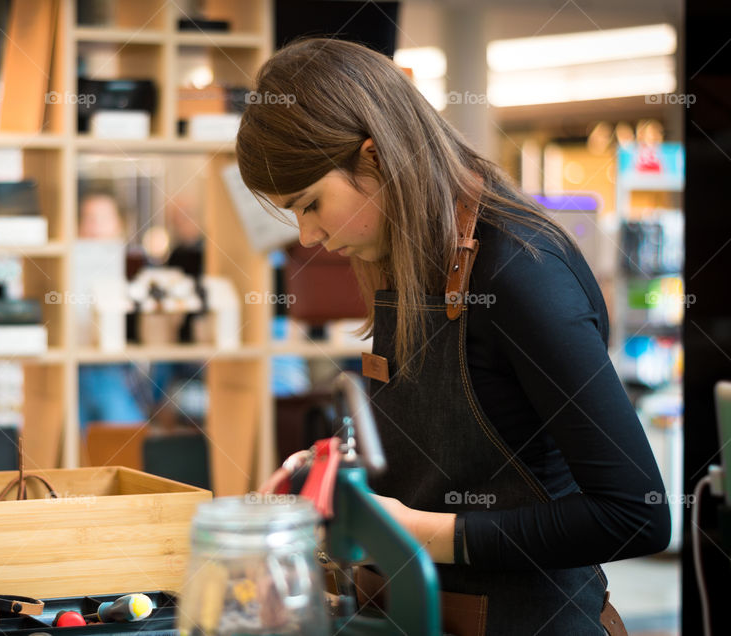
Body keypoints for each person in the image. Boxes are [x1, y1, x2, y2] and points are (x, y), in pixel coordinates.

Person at [237, 38, 670, 635]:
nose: (307, 236)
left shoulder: (521, 273)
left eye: (310, 204)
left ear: (376, 158)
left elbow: (634, 515)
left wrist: (420, 534)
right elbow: (441, 446)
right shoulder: (409, 257)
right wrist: (324, 470)